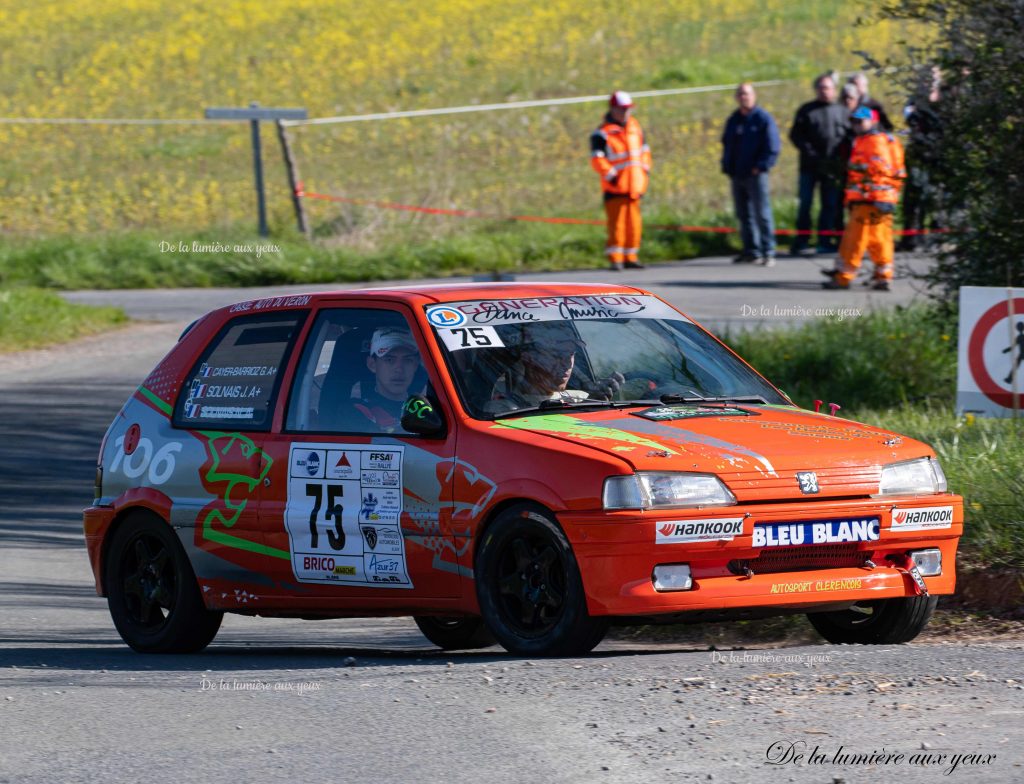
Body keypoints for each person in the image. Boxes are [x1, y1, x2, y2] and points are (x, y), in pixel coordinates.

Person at [823, 106, 906, 291]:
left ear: (873, 121)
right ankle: (883, 276)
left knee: (855, 239)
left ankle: (843, 277)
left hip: (869, 200)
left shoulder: (873, 142)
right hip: (883, 199)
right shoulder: (885, 140)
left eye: (860, 121)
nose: (856, 125)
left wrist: (868, 195)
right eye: (853, 121)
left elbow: (877, 171)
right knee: (879, 239)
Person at [490, 322, 623, 410]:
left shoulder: (580, 397)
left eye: (570, 354)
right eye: (556, 354)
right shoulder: (503, 409)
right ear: (528, 357)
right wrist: (585, 407)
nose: (566, 363)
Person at [788, 73, 850, 255]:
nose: (825, 91)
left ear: (834, 90)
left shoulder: (842, 111)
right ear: (816, 90)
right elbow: (796, 136)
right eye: (821, 88)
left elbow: (847, 137)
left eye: (828, 88)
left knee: (829, 204)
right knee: (805, 204)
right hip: (809, 167)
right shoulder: (806, 110)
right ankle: (802, 240)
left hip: (832, 168)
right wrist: (810, 153)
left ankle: (825, 240)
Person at [721, 83, 781, 266]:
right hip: (737, 173)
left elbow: (773, 146)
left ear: (753, 96)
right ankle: (751, 251)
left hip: (756, 174)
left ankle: (768, 250)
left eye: (746, 94)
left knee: (761, 213)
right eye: (740, 94)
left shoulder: (762, 119)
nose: (743, 97)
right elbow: (727, 143)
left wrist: (761, 166)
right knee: (743, 214)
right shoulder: (734, 119)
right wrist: (727, 166)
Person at [590, 90, 652, 271]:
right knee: (617, 225)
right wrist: (612, 176)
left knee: (634, 224)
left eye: (628, 109)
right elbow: (597, 159)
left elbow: (644, 152)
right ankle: (616, 258)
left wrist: (644, 172)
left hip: (635, 185)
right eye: (621, 109)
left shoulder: (635, 128)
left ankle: (630, 256)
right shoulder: (602, 133)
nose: (625, 112)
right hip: (615, 187)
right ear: (613, 109)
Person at [346, 327, 423, 432]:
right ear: (372, 364)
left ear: (415, 365)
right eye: (390, 359)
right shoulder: (355, 412)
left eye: (407, 360)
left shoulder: (430, 409)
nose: (399, 369)